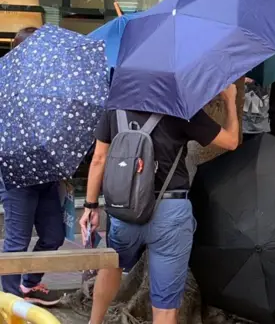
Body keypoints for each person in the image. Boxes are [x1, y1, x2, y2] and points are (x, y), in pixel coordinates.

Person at [80, 84, 240, 324]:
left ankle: (95, 322)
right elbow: (231, 141)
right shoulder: (181, 108)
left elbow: (99, 159)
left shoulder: (115, 106)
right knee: (165, 305)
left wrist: (90, 205)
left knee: (110, 266)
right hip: (170, 212)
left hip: (124, 210)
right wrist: (230, 100)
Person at [0, 26, 65, 307]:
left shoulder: (51, 85)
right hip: (16, 175)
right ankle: (8, 298)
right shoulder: (5, 85)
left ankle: (28, 284)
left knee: (54, 235)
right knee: (17, 241)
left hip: (46, 174)